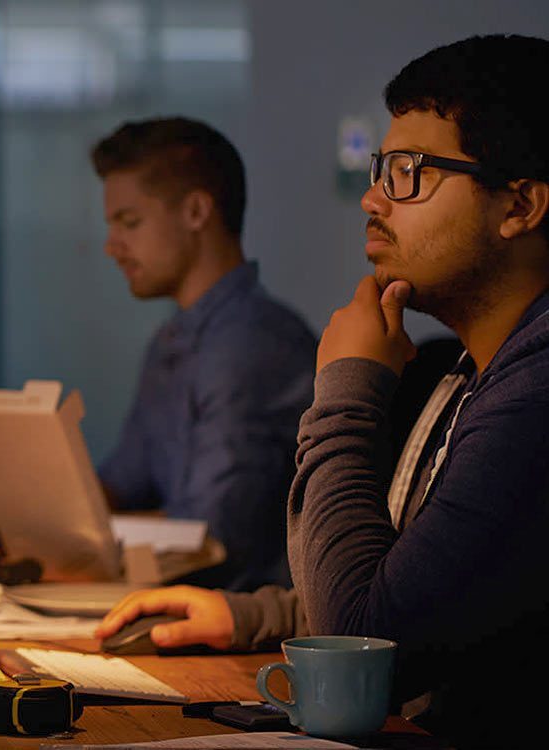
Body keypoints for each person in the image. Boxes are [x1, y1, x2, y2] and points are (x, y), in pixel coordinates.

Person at [95, 35, 549, 749]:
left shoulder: (534, 392)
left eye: (409, 172)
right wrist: (252, 617)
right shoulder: (467, 372)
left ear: (518, 204)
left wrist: (346, 387)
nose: (373, 198)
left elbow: (367, 646)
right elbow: (412, 593)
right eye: (380, 169)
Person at [90, 117, 317, 591]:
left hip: (249, 632)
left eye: (130, 223)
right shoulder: (171, 342)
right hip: (185, 605)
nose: (113, 246)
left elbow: (209, 539)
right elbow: (123, 482)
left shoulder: (253, 342)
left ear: (196, 211)